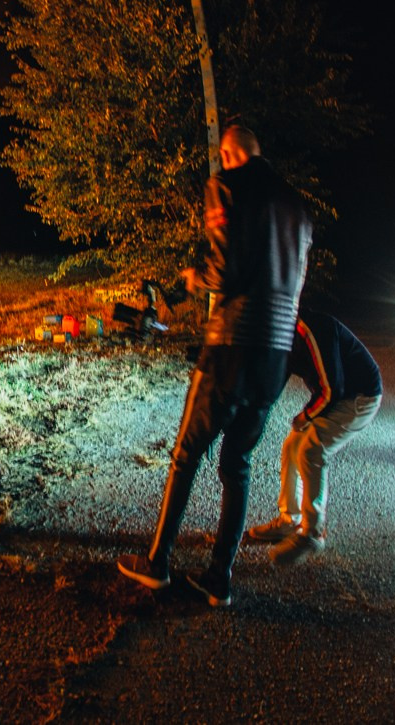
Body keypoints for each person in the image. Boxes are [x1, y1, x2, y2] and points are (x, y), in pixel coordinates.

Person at [117, 125, 312, 607]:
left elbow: (223, 270)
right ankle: (218, 580)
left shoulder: (225, 185)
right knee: (237, 464)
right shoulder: (299, 208)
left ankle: (158, 564)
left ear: (229, 154)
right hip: (275, 355)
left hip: (231, 345)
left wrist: (193, 276)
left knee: (186, 456)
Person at [247, 311, 383, 564]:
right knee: (292, 445)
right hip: (340, 396)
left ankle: (312, 532)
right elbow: (274, 383)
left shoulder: (308, 327)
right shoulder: (281, 332)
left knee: (311, 450)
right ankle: (290, 520)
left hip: (359, 397)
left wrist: (307, 415)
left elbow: (333, 388)